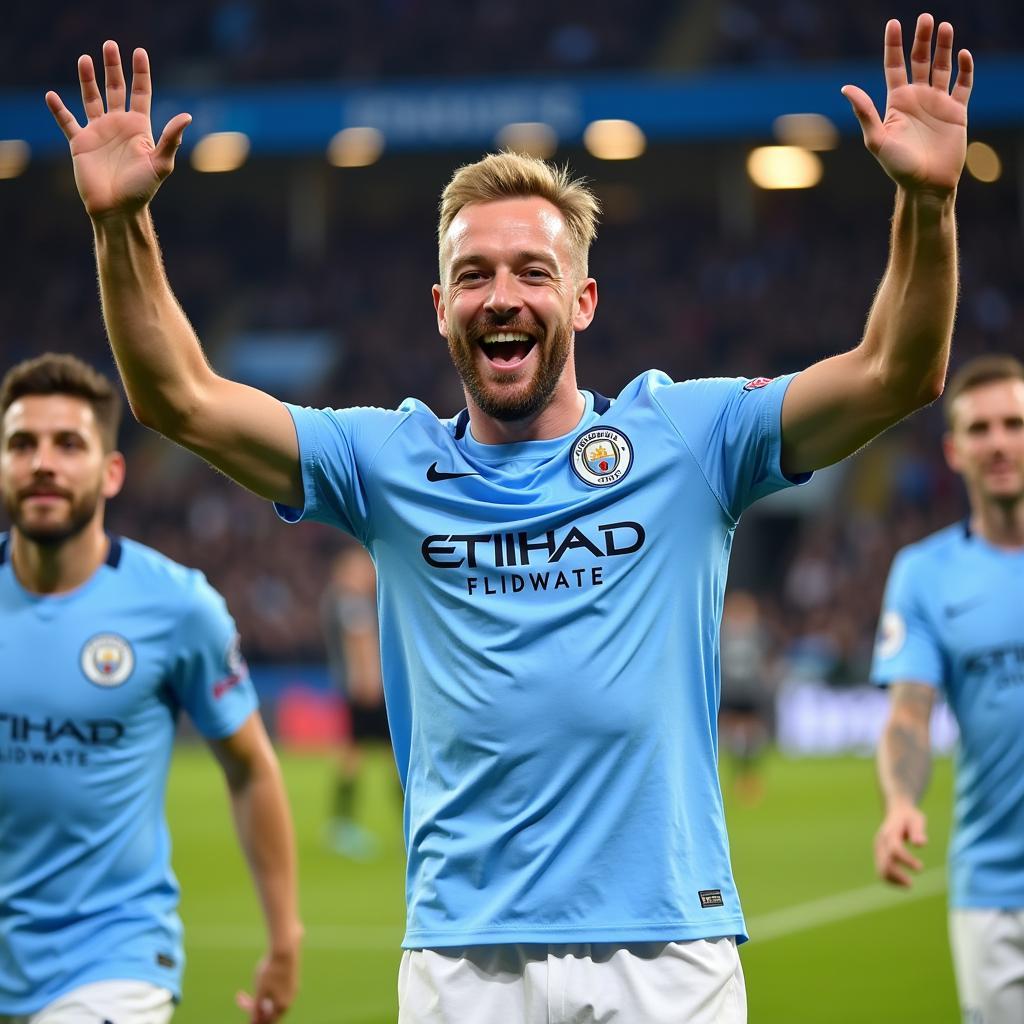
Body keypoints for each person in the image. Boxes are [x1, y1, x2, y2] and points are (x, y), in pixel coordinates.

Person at [46, 15, 972, 1021]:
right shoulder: (384, 461)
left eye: (532, 271)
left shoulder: (689, 436)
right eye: (476, 275)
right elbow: (175, 396)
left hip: (664, 949)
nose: (503, 296)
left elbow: (896, 372)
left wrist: (926, 204)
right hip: (460, 963)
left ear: (582, 300)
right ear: (438, 303)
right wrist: (119, 226)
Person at [0, 354, 302, 1024]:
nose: (43, 463)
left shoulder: (175, 609)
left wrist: (285, 936)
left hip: (111, 962)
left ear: (111, 473)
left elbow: (251, 766)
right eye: (22, 444)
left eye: (68, 444)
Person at [872, 354, 1024, 1024]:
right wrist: (901, 800)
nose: (999, 442)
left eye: (1015, 424)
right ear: (953, 451)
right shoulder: (924, 574)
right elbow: (909, 715)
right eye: (980, 428)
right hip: (992, 888)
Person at [320, 544, 394, 859]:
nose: (368, 573)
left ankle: (340, 825)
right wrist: (370, 685)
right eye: (362, 567)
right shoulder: (352, 603)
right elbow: (359, 643)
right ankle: (344, 827)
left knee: (355, 756)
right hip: (367, 691)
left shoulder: (338, 602)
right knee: (397, 759)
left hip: (355, 690)